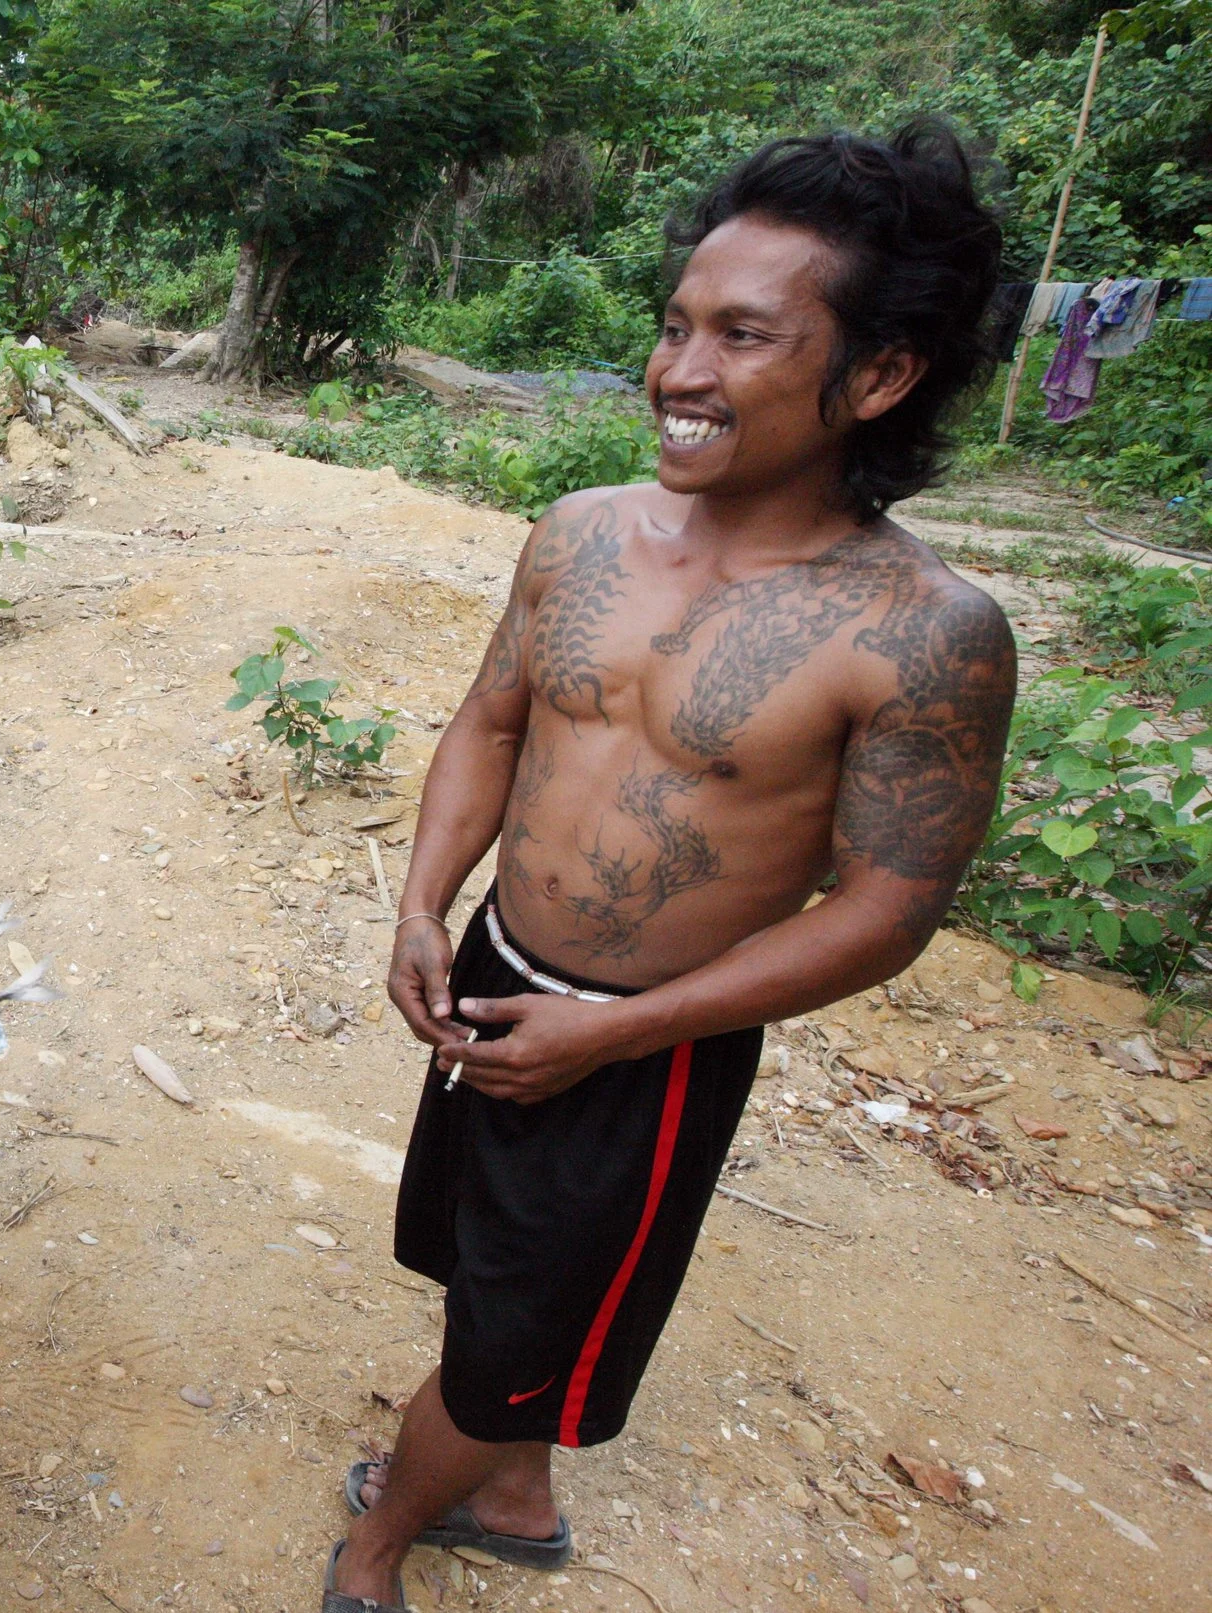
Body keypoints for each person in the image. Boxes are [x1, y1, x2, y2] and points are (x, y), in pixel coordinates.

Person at [323, 122, 1017, 1611]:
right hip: (500, 983)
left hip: (647, 1049)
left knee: (507, 1345)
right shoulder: (580, 534)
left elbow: (889, 910)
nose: (678, 372)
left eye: (745, 338)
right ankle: (512, 1497)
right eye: (677, 325)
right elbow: (491, 723)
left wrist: (619, 1031)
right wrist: (422, 904)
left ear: (879, 376)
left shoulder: (919, 629)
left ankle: (382, 1542)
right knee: (485, 1271)